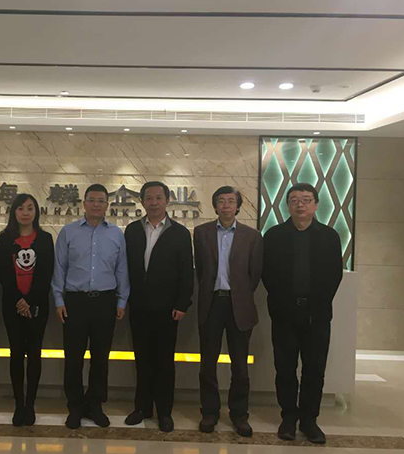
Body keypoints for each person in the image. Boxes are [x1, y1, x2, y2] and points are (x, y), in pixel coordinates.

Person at [262, 183, 343, 444]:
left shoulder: (330, 236)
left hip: (317, 316)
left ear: (316, 205)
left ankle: (309, 420)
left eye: (306, 199)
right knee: (285, 369)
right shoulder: (273, 236)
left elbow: (334, 276)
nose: (300, 204)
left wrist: (316, 305)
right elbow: (267, 275)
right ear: (287, 205)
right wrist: (283, 304)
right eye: (294, 200)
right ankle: (288, 418)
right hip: (284, 315)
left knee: (314, 370)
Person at [52, 184, 130, 429]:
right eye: (92, 200)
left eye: (101, 200)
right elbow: (59, 268)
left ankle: (95, 404)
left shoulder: (116, 234)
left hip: (105, 301)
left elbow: (122, 269)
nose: (96, 204)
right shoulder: (68, 232)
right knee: (73, 357)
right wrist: (58, 300)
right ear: (84, 203)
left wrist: (121, 300)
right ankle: (75, 406)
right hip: (75, 302)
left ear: (107, 205)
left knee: (100, 358)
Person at [123, 181, 194, 433]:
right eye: (149, 198)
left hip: (168, 308)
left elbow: (187, 272)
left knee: (164, 361)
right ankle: (142, 408)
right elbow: (124, 268)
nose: (154, 202)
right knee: (142, 359)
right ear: (142, 201)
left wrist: (182, 303)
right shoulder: (132, 230)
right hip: (138, 306)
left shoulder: (180, 233)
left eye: (158, 198)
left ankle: (164, 411)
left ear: (167, 200)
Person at [193, 186, 263, 437]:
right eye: (221, 201)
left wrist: (238, 293)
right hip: (211, 303)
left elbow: (254, 274)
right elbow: (201, 270)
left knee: (240, 366)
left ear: (238, 206)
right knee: (207, 364)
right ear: (214, 206)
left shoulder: (252, 236)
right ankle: (209, 413)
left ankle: (239, 415)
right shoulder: (201, 233)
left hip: (239, 306)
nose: (225, 205)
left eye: (230, 201)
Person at [0, 194, 55, 427]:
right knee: (16, 354)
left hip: (37, 305)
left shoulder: (45, 239)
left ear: (36, 212)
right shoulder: (5, 238)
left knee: (34, 354)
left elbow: (46, 273)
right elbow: (3, 273)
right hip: (12, 305)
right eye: (20, 208)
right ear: (14, 212)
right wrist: (19, 301)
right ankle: (18, 404)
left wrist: (29, 301)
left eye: (30, 208)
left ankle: (30, 404)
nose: (25, 213)